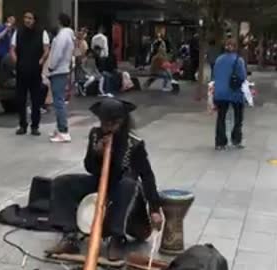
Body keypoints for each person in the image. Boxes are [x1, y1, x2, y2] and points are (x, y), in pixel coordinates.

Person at [45, 98, 163, 262]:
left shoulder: (134, 143)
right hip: (101, 183)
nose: (107, 128)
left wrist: (155, 208)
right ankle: (70, 235)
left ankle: (117, 238)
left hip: (127, 193)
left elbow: (147, 176)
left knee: (128, 184)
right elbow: (90, 167)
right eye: (104, 123)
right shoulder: (96, 135)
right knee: (62, 182)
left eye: (112, 124)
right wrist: (96, 153)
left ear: (121, 121)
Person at [10, 11, 50, 136]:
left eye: (30, 18)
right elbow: (12, 49)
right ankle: (22, 125)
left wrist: (41, 60)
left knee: (36, 100)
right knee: (21, 99)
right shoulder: (18, 32)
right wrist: (16, 62)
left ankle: (35, 126)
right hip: (21, 71)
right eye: (25, 17)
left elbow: (46, 49)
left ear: (34, 20)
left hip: (35, 71)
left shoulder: (42, 33)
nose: (27, 20)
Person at [212, 39, 247, 150]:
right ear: (235, 47)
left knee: (221, 117)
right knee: (238, 117)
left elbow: (214, 74)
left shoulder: (218, 59)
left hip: (220, 92)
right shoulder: (238, 60)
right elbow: (242, 76)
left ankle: (220, 142)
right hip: (234, 92)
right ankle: (236, 139)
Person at [47, 13, 75, 143]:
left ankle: (63, 130)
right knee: (59, 100)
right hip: (62, 69)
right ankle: (60, 128)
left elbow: (57, 52)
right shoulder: (68, 35)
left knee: (58, 101)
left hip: (58, 70)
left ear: (59, 21)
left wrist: (51, 66)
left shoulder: (63, 35)